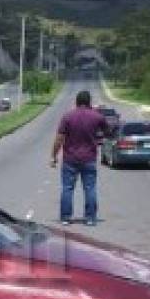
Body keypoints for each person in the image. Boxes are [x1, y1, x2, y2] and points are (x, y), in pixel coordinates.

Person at [51, 89, 107, 226]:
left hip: (70, 158)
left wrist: (53, 155)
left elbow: (59, 138)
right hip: (89, 158)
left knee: (67, 188)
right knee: (90, 188)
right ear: (89, 102)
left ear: (76, 102)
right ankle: (90, 218)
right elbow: (108, 131)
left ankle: (65, 217)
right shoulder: (97, 117)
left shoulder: (67, 116)